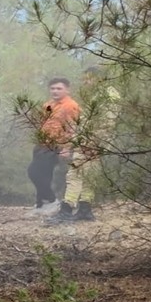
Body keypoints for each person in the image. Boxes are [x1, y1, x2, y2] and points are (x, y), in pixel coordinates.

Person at [56, 68, 121, 222]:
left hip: (91, 143)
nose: (85, 82)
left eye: (88, 79)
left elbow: (106, 124)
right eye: (84, 79)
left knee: (75, 175)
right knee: (88, 176)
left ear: (98, 79)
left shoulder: (108, 96)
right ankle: (85, 210)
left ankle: (66, 211)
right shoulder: (100, 95)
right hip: (90, 142)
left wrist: (93, 144)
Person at [27, 77, 80, 213]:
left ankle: (51, 201)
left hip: (56, 145)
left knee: (35, 172)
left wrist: (67, 147)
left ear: (67, 90)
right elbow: (44, 123)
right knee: (42, 174)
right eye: (52, 88)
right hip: (42, 144)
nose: (55, 91)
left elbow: (72, 128)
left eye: (59, 88)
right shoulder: (49, 105)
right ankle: (41, 204)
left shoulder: (70, 106)